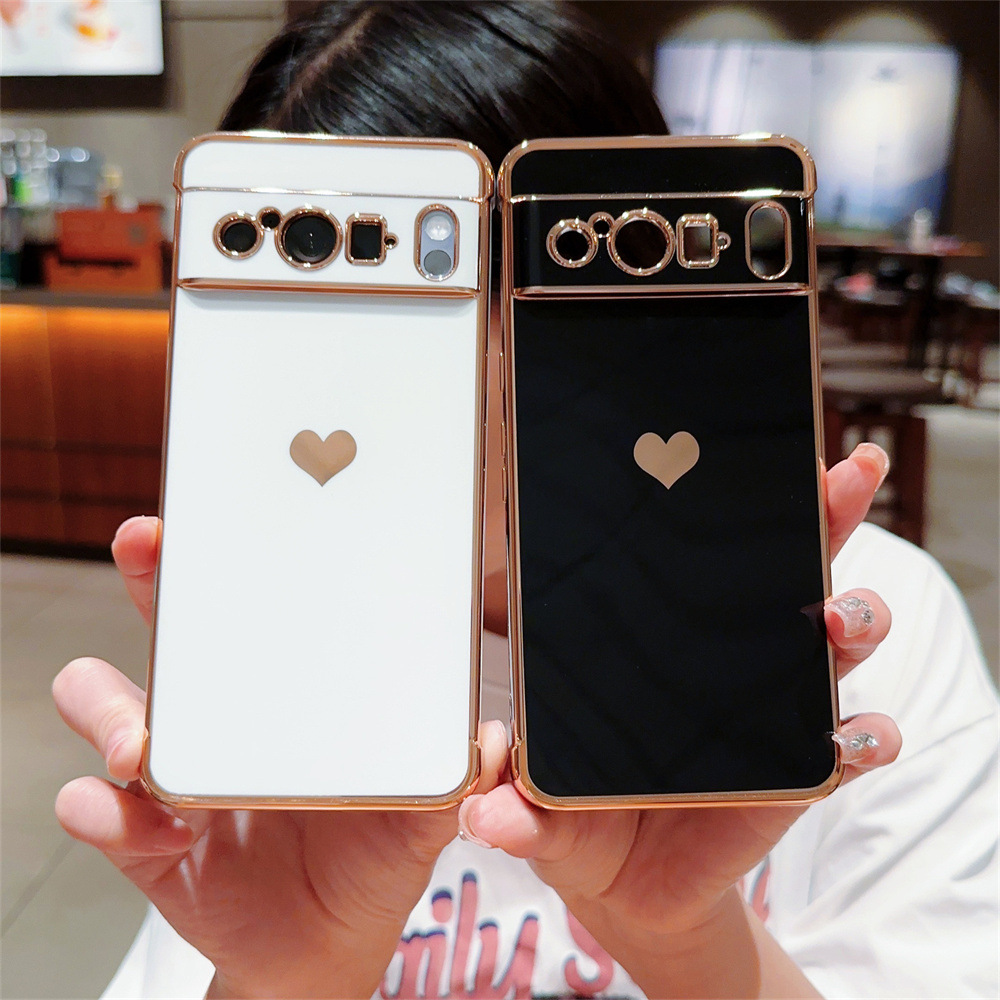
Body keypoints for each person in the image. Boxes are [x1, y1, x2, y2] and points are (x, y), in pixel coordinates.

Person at [52, 4, 998, 998]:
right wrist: (290, 980)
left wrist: (688, 943)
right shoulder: (277, 656)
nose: (334, 393)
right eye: (286, 317)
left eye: (437, 287)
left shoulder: (860, 631)